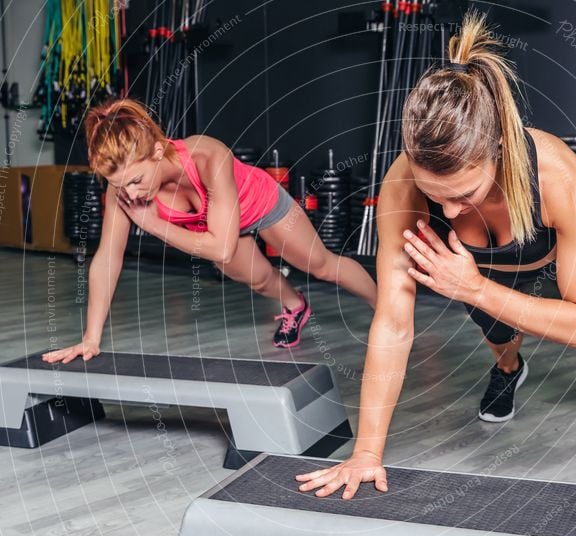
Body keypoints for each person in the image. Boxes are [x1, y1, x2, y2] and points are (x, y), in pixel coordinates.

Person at [296, 12, 576, 499]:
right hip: (478, 268)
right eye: (433, 194)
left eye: (466, 193)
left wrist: (473, 287)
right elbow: (394, 323)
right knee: (497, 330)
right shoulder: (402, 188)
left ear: (498, 149)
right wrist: (366, 454)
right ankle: (508, 369)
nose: (447, 209)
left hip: (535, 259)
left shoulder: (559, 178)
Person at [42, 97, 377, 364]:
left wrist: (155, 225)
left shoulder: (207, 155)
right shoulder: (124, 192)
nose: (129, 194)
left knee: (320, 265)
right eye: (118, 185)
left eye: (135, 181)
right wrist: (91, 338)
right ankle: (295, 306)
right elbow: (107, 259)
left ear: (157, 151)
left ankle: (387, 308)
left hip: (257, 203)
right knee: (259, 279)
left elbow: (221, 250)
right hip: (213, 229)